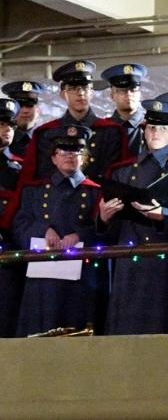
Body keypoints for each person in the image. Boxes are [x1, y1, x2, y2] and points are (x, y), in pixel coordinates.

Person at [99, 99, 168, 335]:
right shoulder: (124, 170)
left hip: (166, 263)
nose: (154, 133)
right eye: (150, 127)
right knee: (125, 333)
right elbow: (109, 231)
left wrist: (163, 215)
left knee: (162, 330)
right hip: (128, 262)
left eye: (162, 128)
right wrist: (104, 218)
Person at [13, 125, 106, 337]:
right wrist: (42, 229)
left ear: (85, 158)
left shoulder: (96, 192)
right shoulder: (33, 191)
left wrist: (80, 235)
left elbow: (109, 231)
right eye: (63, 152)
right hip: (42, 278)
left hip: (82, 278)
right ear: (53, 158)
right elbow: (19, 225)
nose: (69, 156)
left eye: (76, 152)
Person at [19, 60, 128, 184]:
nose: (80, 93)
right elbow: (44, 176)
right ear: (62, 94)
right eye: (73, 88)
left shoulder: (110, 131)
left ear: (92, 92)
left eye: (85, 88)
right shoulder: (47, 133)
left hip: (99, 199)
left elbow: (114, 175)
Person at [0, 98, 24, 337]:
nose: (7, 130)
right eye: (1, 124)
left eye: (10, 125)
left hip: (8, 255)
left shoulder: (20, 168)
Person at [101, 63, 148, 155]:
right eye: (122, 90)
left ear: (140, 94)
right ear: (112, 95)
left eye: (133, 89)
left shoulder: (151, 127)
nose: (129, 94)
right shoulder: (102, 129)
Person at [1, 80, 45, 158]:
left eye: (30, 105)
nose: (25, 110)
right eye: (20, 105)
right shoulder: (3, 138)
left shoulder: (49, 140)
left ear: (38, 109)